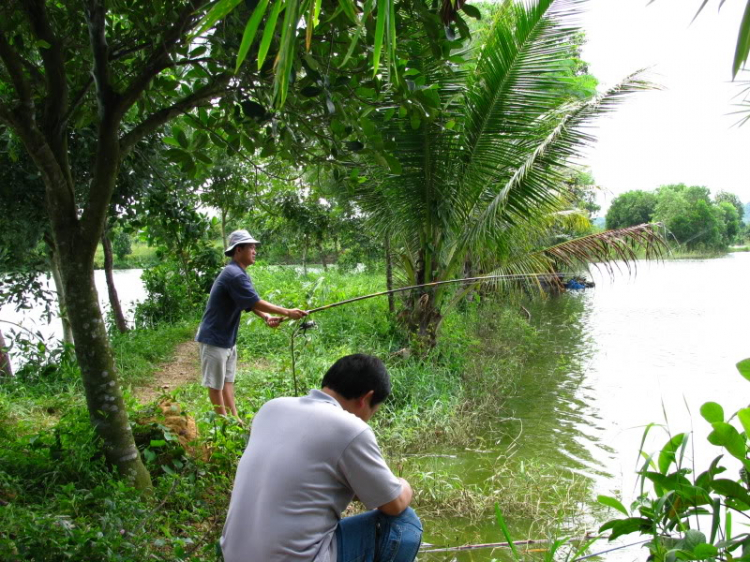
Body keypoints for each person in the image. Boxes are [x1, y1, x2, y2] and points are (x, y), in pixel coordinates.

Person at [221, 354, 422, 562]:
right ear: (366, 398)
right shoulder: (351, 428)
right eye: (375, 410)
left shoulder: (270, 408)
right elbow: (394, 504)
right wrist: (403, 485)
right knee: (405, 523)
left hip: (233, 555)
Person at [196, 229, 307, 418]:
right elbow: (255, 301)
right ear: (239, 250)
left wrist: (265, 317)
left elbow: (247, 301)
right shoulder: (235, 274)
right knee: (216, 385)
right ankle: (224, 424)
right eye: (251, 248)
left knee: (227, 381)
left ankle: (235, 420)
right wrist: (287, 312)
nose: (255, 251)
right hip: (214, 338)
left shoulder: (239, 273)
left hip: (227, 338)